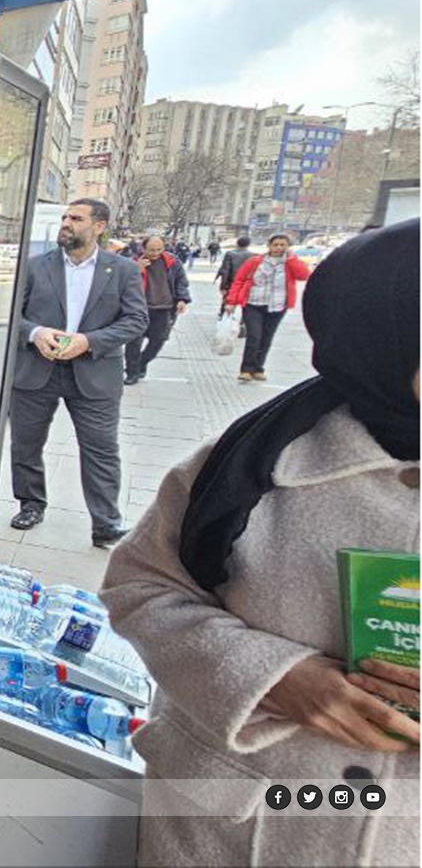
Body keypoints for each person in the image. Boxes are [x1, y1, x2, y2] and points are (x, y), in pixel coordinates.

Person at [100, 219, 420, 867]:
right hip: (234, 831)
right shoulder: (250, 464)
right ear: (382, 333)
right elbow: (140, 585)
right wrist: (273, 678)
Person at [9, 199, 148, 548]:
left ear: (99, 227)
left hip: (95, 374)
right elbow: (11, 315)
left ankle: (106, 523)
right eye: (64, 217)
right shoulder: (35, 267)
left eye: (76, 218)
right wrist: (35, 333)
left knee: (101, 449)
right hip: (36, 369)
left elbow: (136, 320)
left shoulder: (123, 270)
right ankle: (30, 504)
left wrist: (88, 341)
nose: (66, 223)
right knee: (26, 444)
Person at [225, 234, 312, 382]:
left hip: (278, 305)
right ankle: (246, 369)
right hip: (253, 303)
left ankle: (258, 368)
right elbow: (239, 280)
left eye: (282, 245)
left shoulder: (290, 263)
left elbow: (304, 275)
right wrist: (231, 301)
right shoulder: (255, 261)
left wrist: (291, 259)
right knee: (254, 336)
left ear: (288, 247)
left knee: (267, 337)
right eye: (275, 244)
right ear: (269, 246)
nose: (279, 248)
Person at [124, 236, 191, 385]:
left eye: (159, 249)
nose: (155, 253)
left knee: (159, 340)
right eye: (151, 250)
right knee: (134, 342)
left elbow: (181, 281)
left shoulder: (172, 261)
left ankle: (142, 362)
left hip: (163, 308)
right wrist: (135, 269)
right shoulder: (132, 261)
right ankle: (131, 373)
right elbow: (121, 281)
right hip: (138, 309)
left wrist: (182, 299)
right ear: (143, 248)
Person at [216, 236, 254, 315]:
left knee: (228, 300)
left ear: (237, 243)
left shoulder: (230, 254)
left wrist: (223, 286)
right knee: (245, 301)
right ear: (248, 244)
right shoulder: (253, 255)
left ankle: (224, 315)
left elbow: (225, 270)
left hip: (232, 281)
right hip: (246, 282)